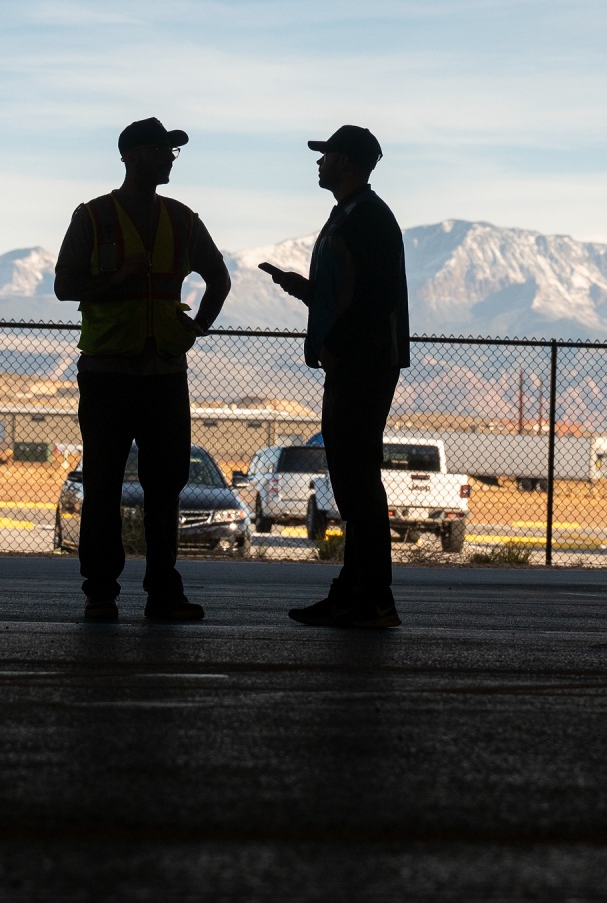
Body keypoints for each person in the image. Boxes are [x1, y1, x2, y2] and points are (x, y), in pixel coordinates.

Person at [55, 117, 231, 623]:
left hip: (164, 374)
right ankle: (101, 592)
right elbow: (65, 286)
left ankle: (162, 592)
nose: (169, 158)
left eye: (172, 151)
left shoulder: (183, 220)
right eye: (160, 150)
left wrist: (197, 328)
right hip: (109, 371)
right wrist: (115, 280)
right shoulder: (93, 217)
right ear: (131, 155)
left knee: (165, 486)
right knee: (105, 483)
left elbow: (218, 279)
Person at [264, 125, 409, 628]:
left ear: (346, 162)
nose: (319, 163)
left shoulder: (369, 219)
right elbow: (345, 294)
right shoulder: (349, 215)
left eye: (326, 156)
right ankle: (356, 593)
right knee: (352, 482)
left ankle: (371, 598)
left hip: (362, 366)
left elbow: (374, 302)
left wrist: (341, 344)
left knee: (358, 483)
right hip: (352, 362)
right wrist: (304, 290)